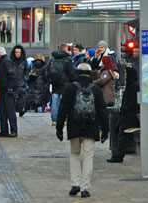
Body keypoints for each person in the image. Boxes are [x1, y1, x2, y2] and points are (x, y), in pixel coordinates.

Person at [56, 63, 109, 198]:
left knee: (74, 154)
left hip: (74, 126)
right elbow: (102, 111)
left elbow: (63, 109)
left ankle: (75, 184)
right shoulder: (96, 90)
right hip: (91, 127)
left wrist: (59, 128)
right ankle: (85, 187)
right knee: (88, 156)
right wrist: (105, 130)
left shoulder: (70, 88)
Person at [107, 67, 140, 163]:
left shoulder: (133, 86)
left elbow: (134, 101)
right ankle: (118, 155)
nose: (124, 75)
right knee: (122, 135)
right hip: (126, 114)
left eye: (126, 73)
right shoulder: (130, 85)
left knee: (123, 136)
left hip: (129, 115)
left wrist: (126, 109)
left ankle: (118, 156)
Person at [46, 42, 76, 125]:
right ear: (65, 49)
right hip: (65, 84)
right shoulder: (67, 59)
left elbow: (47, 71)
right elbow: (71, 72)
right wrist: (74, 82)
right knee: (64, 102)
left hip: (55, 83)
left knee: (55, 101)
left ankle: (54, 119)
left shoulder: (52, 59)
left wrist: (49, 80)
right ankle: (64, 118)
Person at [0, 47, 18, 137]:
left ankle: (13, 130)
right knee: (3, 111)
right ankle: (4, 130)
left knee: (9, 111)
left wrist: (10, 88)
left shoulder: (5, 62)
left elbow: (11, 75)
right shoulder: (2, 62)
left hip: (7, 91)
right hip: (3, 90)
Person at [10, 45, 29, 118]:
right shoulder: (11, 61)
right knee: (14, 98)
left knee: (22, 98)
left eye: (19, 52)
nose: (18, 54)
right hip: (13, 83)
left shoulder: (24, 62)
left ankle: (22, 110)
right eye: (16, 52)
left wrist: (25, 79)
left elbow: (27, 71)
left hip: (21, 83)